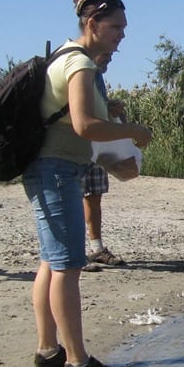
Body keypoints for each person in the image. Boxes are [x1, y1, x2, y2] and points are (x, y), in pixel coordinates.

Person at [23, 0, 152, 367]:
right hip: (58, 170)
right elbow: (82, 126)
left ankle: (48, 349)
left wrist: (109, 119)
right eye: (116, 27)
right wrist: (133, 130)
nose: (122, 35)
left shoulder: (64, 56)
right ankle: (77, 361)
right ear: (92, 24)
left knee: (51, 260)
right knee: (67, 265)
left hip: (49, 167)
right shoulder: (80, 64)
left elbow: (74, 119)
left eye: (124, 28)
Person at [82, 52, 127, 270]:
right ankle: (75, 253)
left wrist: (110, 108)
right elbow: (80, 111)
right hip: (78, 146)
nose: (109, 59)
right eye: (107, 56)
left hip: (96, 146)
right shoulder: (81, 68)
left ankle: (96, 248)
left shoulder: (97, 76)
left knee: (94, 194)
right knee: (74, 196)